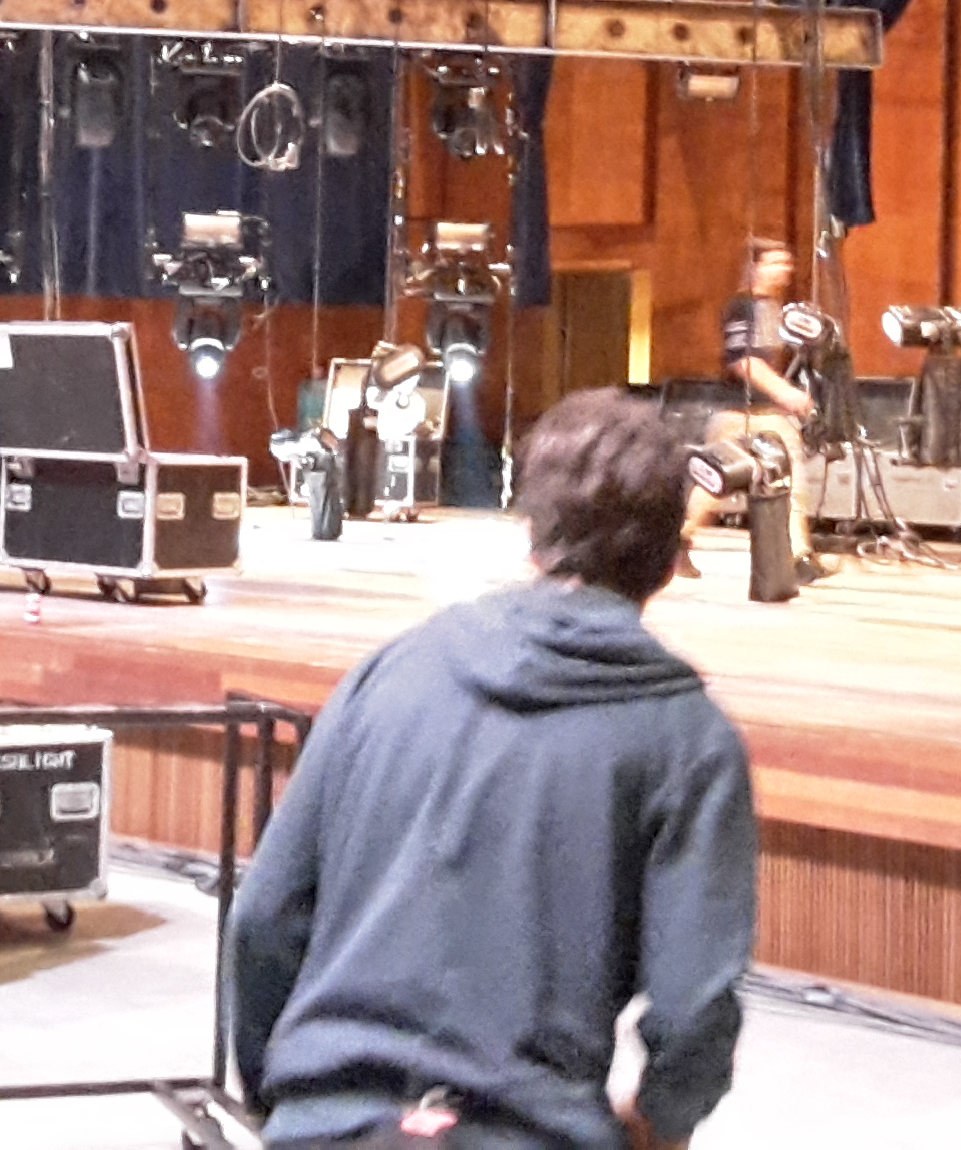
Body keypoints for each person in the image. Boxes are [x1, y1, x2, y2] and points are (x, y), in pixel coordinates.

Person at [230, 389, 757, 1150]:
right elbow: (694, 1007)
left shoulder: (387, 672)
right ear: (672, 560)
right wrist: (663, 1123)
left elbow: (264, 919)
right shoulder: (689, 739)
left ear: (531, 535)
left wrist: (285, 1101)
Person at [681, 238, 826, 586]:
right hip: (742, 412)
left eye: (787, 263)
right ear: (755, 268)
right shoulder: (745, 307)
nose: (785, 270)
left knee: (771, 482)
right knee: (718, 483)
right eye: (775, 263)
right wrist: (786, 393)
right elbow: (744, 360)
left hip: (765, 412)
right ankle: (795, 557)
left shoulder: (772, 308)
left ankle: (797, 556)